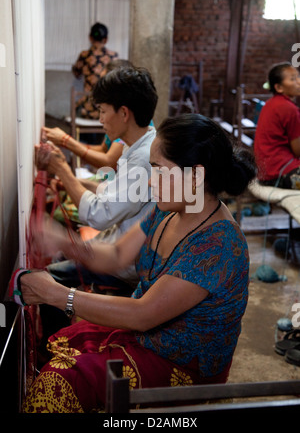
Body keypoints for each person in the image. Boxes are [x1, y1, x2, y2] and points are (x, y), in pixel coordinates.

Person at [20, 113, 256, 413]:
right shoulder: (169, 210)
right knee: (63, 357)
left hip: (181, 367)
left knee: (59, 382)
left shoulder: (218, 244)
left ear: (195, 176)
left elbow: (143, 315)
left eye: (158, 169)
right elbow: (118, 254)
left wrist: (56, 294)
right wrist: (64, 242)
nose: (150, 179)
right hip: (149, 339)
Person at [36, 65, 157, 294]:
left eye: (102, 111)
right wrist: (72, 180)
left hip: (127, 265)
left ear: (123, 113)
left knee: (46, 279)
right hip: (119, 248)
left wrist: (62, 169)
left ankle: (61, 331)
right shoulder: (140, 146)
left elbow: (99, 216)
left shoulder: (142, 159)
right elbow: (112, 190)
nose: (100, 119)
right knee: (63, 256)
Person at [254, 62, 300, 189]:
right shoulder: (288, 108)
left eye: (298, 76)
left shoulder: (270, 104)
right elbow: (298, 151)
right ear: (279, 87)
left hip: (265, 171)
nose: (298, 81)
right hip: (280, 172)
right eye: (292, 79)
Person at [72, 22, 118, 119]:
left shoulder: (84, 55)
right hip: (108, 107)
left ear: (90, 38)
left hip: (88, 106)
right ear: (105, 39)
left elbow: (77, 74)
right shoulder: (113, 56)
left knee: (80, 107)